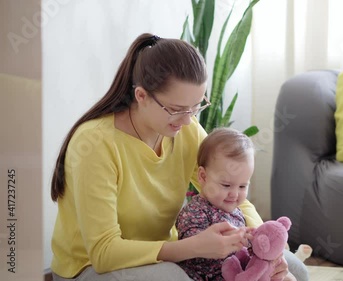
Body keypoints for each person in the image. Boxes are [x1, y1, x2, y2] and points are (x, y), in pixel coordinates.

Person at [49, 33, 308, 281]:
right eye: (176, 109)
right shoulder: (95, 144)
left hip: (164, 256)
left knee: (293, 269)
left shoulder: (184, 127)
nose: (187, 119)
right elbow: (104, 253)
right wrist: (193, 247)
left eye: (196, 107)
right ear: (141, 96)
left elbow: (230, 183)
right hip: (90, 269)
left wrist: (266, 248)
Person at [176, 127, 256, 280]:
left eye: (242, 186)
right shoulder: (195, 211)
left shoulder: (236, 211)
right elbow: (192, 242)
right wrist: (227, 238)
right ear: (203, 176)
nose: (234, 194)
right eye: (226, 185)